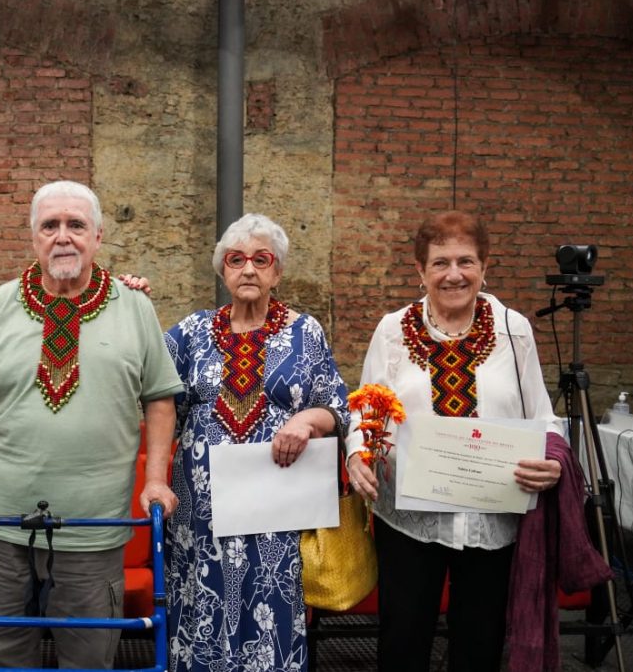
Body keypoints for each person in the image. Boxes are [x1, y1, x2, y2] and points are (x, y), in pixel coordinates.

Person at [0, 180, 183, 669]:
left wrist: (157, 481)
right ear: (34, 237)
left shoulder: (136, 308)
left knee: (88, 658)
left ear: (98, 236)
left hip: (96, 527)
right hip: (2, 526)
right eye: (50, 226)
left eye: (76, 225)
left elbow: (160, 400)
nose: (63, 236)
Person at [343, 211, 583, 671]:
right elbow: (365, 408)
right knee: (403, 641)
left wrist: (553, 462)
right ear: (420, 271)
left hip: (491, 518)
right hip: (410, 518)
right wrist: (357, 452)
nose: (454, 274)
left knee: (480, 643)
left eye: (466, 261)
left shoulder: (514, 330)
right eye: (440, 263)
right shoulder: (392, 330)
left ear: (484, 266)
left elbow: (543, 418)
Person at [163, 213, 349, 672]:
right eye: (236, 259)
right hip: (198, 516)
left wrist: (306, 420)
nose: (248, 269)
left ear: (277, 272)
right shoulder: (190, 332)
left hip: (276, 513)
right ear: (222, 269)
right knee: (197, 606)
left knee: (273, 608)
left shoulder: (306, 332)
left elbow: (340, 407)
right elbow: (148, 382)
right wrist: (130, 300)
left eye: (261, 259)